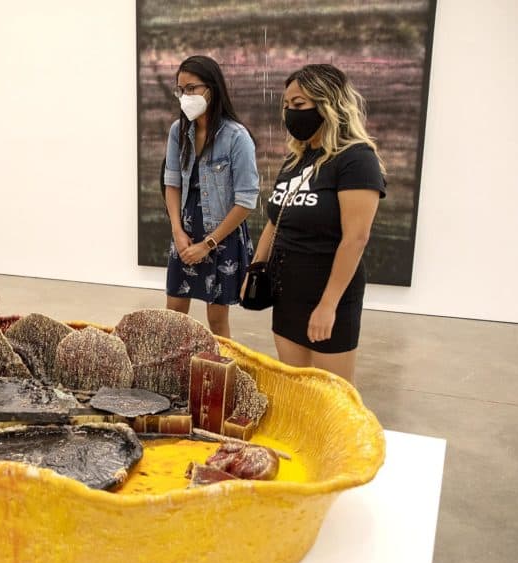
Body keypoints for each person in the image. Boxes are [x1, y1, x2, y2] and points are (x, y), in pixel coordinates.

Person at [242, 64, 386, 383]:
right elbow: (274, 220)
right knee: (299, 390)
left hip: (328, 292)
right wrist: (255, 269)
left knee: (331, 398)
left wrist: (328, 305)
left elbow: (356, 239)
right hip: (287, 292)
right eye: (286, 106)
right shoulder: (296, 159)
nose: (290, 113)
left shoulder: (356, 159)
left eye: (299, 105)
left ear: (328, 104)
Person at [163, 55, 259, 339]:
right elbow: (171, 184)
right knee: (173, 317)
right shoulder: (178, 131)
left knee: (217, 323)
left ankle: (221, 377)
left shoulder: (236, 137)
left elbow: (246, 201)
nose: (185, 97)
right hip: (186, 230)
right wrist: (178, 231)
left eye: (191, 88)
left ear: (212, 88)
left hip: (221, 235)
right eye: (180, 90)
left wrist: (208, 244)